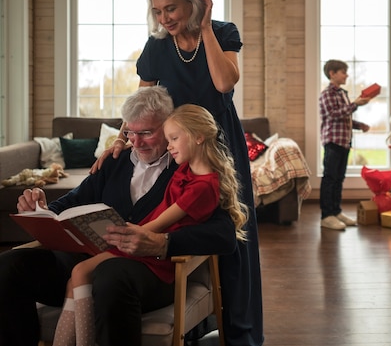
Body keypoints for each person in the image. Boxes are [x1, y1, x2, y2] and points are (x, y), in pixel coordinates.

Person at [96, 0, 263, 345]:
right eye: (157, 11)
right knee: (185, 229)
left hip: (219, 144)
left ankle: (238, 331)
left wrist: (205, 28)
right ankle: (190, 325)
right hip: (178, 147)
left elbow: (224, 83)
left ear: (193, 2)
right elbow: (141, 104)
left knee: (233, 234)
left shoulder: (222, 32)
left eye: (170, 8)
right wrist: (120, 140)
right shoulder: (156, 46)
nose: (164, 18)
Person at [0, 86, 239, 346]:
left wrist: (163, 243)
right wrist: (40, 210)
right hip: (90, 259)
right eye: (129, 133)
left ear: (169, 127)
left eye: (146, 133)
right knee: (9, 266)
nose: (135, 142)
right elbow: (71, 203)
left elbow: (225, 235)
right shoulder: (113, 161)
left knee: (109, 276)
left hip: (146, 271)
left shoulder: (187, 168)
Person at [319, 59, 371, 230]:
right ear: (332, 74)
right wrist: (355, 104)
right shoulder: (327, 93)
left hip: (344, 142)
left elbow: (344, 116)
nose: (346, 75)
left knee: (339, 179)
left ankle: (336, 211)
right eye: (343, 72)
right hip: (333, 142)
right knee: (330, 178)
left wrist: (358, 125)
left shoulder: (342, 93)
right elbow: (333, 115)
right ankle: (327, 215)